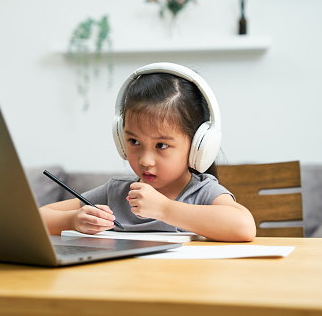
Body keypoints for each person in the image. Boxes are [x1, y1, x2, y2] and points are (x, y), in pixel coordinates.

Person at [39, 62, 256, 242]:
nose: (145, 160)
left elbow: (244, 227)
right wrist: (72, 220)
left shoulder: (202, 193)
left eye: (161, 145)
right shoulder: (117, 194)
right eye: (134, 141)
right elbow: (38, 217)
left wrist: (165, 209)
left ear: (199, 146)